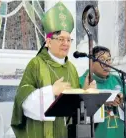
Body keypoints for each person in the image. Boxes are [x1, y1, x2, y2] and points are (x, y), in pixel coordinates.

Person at [11, 2, 96, 138]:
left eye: (69, 40)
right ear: (48, 41)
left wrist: (84, 92)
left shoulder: (71, 68)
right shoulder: (36, 64)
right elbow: (23, 101)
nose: (66, 44)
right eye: (61, 39)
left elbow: (74, 107)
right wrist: (51, 92)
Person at [79, 46, 126, 138]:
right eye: (102, 60)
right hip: (94, 134)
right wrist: (102, 101)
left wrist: (121, 103)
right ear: (91, 63)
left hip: (117, 134)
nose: (106, 64)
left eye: (108, 60)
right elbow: (77, 111)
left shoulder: (120, 81)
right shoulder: (81, 82)